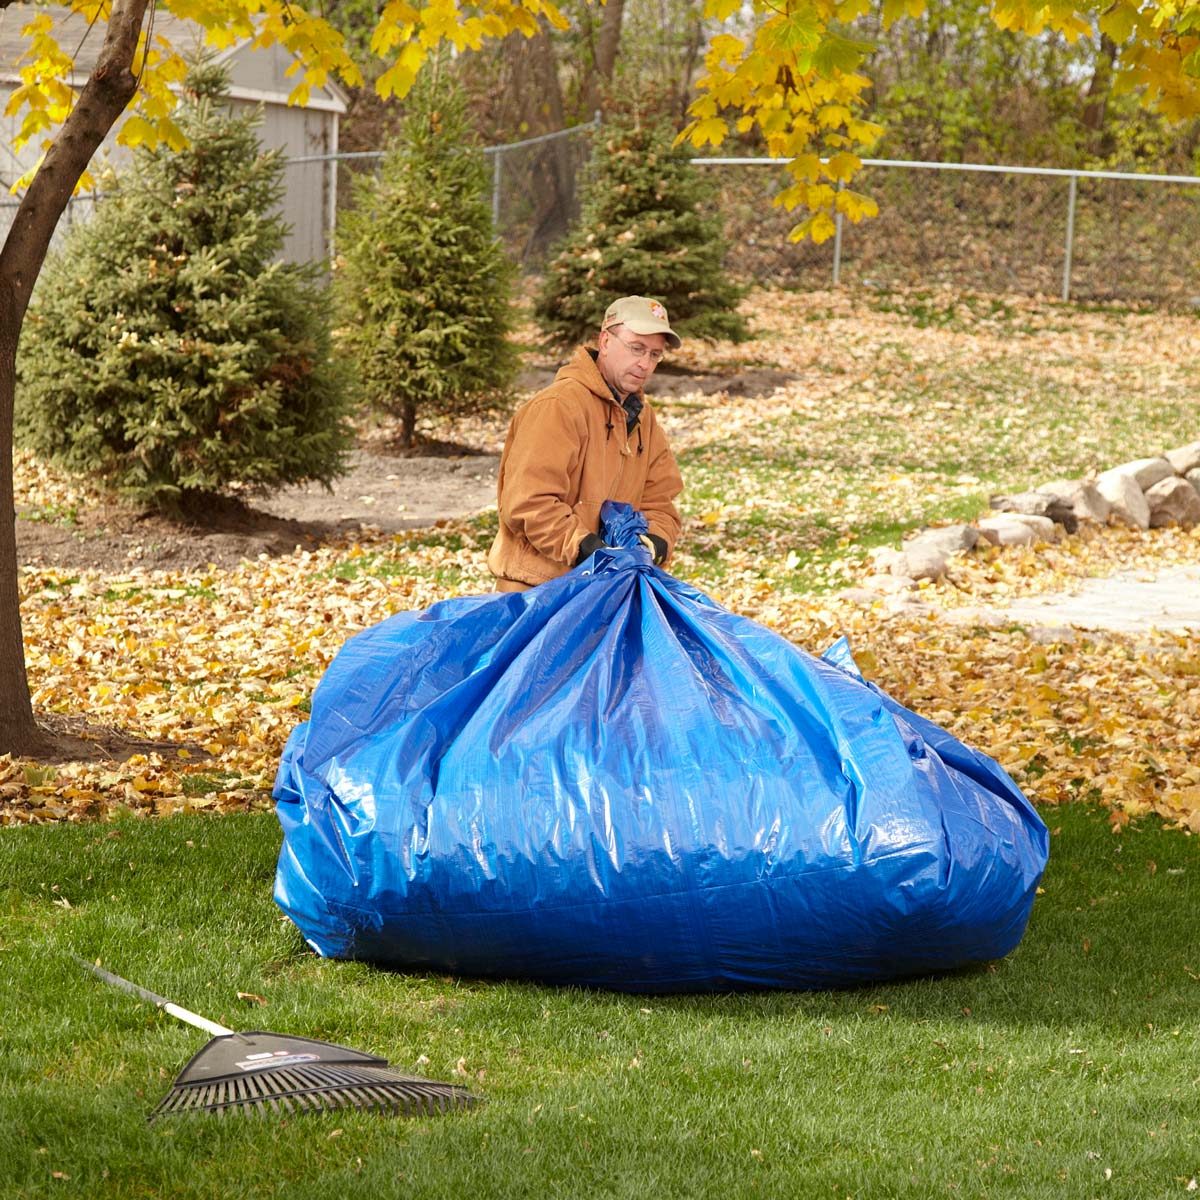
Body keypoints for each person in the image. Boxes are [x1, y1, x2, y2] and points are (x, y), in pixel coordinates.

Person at [487, 296, 684, 592]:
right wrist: (587, 549)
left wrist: (656, 542)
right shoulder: (559, 406)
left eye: (655, 355)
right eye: (636, 348)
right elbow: (529, 502)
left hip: (604, 592)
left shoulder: (643, 418)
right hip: (537, 592)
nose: (645, 364)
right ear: (605, 341)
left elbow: (660, 502)